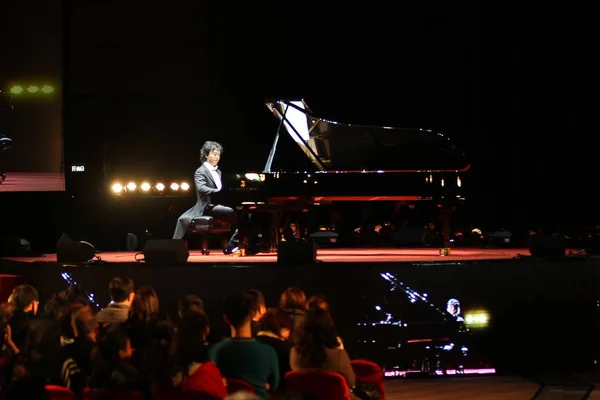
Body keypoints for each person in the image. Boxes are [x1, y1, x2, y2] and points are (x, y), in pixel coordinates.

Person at [173, 141, 242, 254]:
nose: (217, 157)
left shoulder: (218, 171)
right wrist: (218, 192)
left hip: (217, 204)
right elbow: (201, 189)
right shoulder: (200, 171)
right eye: (214, 154)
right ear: (206, 155)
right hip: (206, 206)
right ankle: (234, 243)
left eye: (219, 155)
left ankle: (235, 243)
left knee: (242, 214)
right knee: (232, 212)